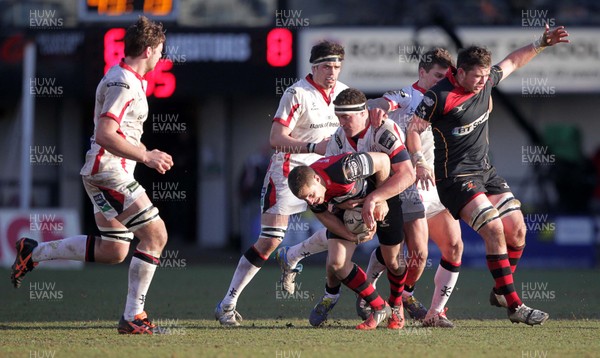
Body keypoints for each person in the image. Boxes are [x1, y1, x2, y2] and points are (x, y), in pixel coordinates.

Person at [10, 16, 173, 334]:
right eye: (160, 51)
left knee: (114, 250)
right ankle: (133, 317)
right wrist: (146, 155)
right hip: (108, 172)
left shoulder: (132, 81)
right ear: (149, 50)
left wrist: (144, 152)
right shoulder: (123, 83)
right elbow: (104, 133)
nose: (161, 57)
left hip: (106, 170)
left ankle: (34, 252)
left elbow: (121, 131)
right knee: (156, 236)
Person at [406, 24, 569, 325]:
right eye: (477, 77)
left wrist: (541, 43)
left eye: (485, 76)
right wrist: (418, 160)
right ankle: (514, 306)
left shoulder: (486, 80)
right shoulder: (438, 96)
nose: (483, 81)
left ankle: (499, 291)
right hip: (453, 179)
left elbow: (513, 61)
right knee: (493, 229)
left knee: (517, 229)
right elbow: (413, 130)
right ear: (461, 72)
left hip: (485, 172)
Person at [214, 41, 348, 326]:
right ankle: (228, 303)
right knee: (269, 241)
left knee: (348, 230)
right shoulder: (296, 93)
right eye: (326, 66)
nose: (332, 72)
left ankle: (295, 256)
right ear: (313, 66)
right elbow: (276, 138)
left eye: (336, 66)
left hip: (324, 176)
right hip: (289, 174)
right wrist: (314, 145)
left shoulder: (342, 92)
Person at [297, 88, 416, 330]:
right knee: (336, 263)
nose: (341, 123)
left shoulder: (384, 129)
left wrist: (377, 199)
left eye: (346, 117)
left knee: (394, 261)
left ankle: (396, 305)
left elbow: (407, 174)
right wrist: (340, 205)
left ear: (364, 113)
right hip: (349, 200)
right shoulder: (338, 138)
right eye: (338, 117)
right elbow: (324, 197)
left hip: (386, 194)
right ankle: (376, 305)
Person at [362, 48, 463, 328]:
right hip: (407, 181)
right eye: (438, 76)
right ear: (422, 73)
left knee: (454, 246)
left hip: (436, 182)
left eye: (448, 76)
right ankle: (370, 291)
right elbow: (383, 101)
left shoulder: (448, 99)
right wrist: (378, 107)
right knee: (416, 253)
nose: (443, 81)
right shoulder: (409, 96)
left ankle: (425, 307)